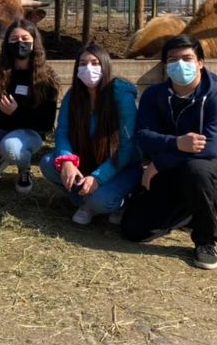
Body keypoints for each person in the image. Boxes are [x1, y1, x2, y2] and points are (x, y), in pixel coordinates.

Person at [121, 34, 217, 271]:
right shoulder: (154, 96)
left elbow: (213, 148)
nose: (180, 65)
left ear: (200, 62)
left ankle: (206, 240)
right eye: (173, 60)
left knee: (197, 170)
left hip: (211, 172)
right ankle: (190, 211)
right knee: (133, 230)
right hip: (169, 172)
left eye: (187, 58)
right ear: (165, 65)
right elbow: (143, 135)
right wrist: (178, 143)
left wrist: (160, 162)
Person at [39, 43, 141, 225]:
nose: (89, 68)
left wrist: (98, 178)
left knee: (100, 200)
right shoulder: (74, 96)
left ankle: (115, 203)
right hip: (88, 161)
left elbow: (127, 147)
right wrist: (67, 160)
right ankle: (88, 202)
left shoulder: (120, 96)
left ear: (106, 65)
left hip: (121, 166)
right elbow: (62, 132)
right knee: (48, 163)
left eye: (95, 63)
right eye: (83, 63)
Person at [0, 19, 59, 194]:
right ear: (7, 43)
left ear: (34, 41)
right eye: (14, 39)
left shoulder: (47, 76)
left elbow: (46, 123)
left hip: (29, 132)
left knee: (12, 149)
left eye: (25, 38)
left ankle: (24, 170)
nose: (20, 43)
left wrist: (16, 112)